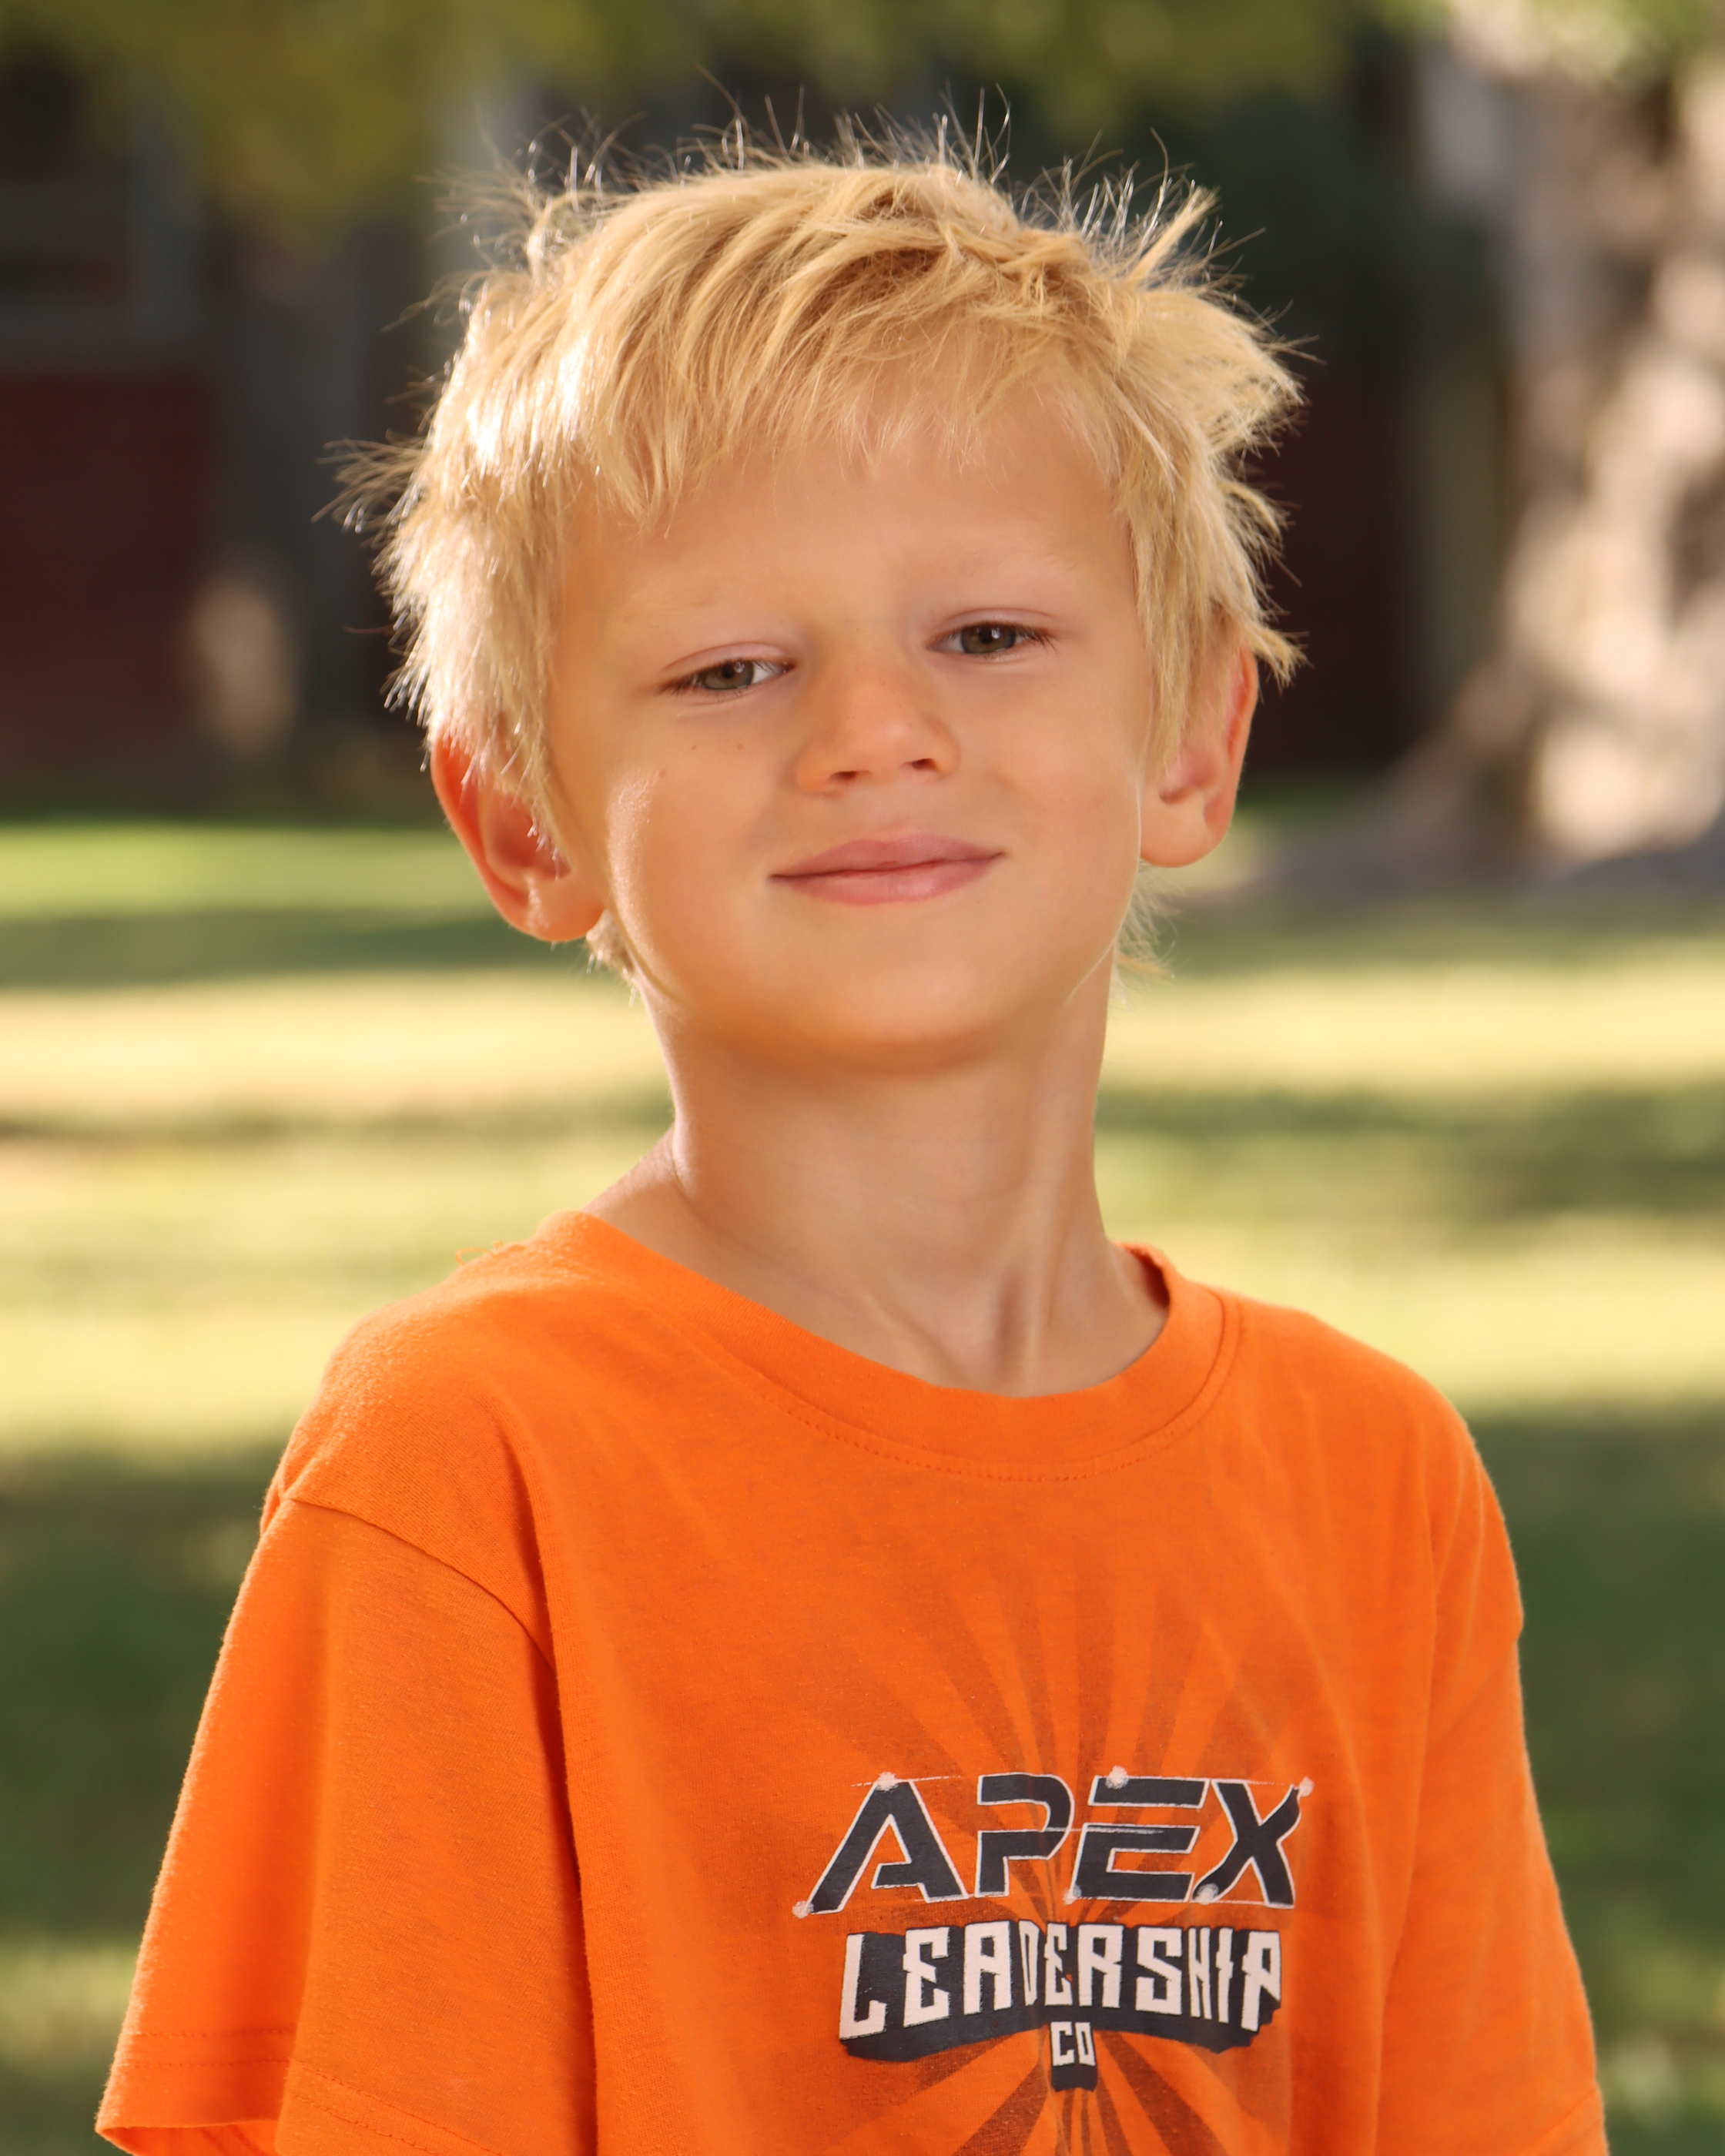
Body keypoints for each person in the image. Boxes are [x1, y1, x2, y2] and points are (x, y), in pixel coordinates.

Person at [99, 137, 1605, 2155]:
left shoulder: (1377, 1481)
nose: (874, 732)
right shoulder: (471, 1457)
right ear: (525, 822)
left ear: (1193, 738)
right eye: (731, 670)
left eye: (988, 637)